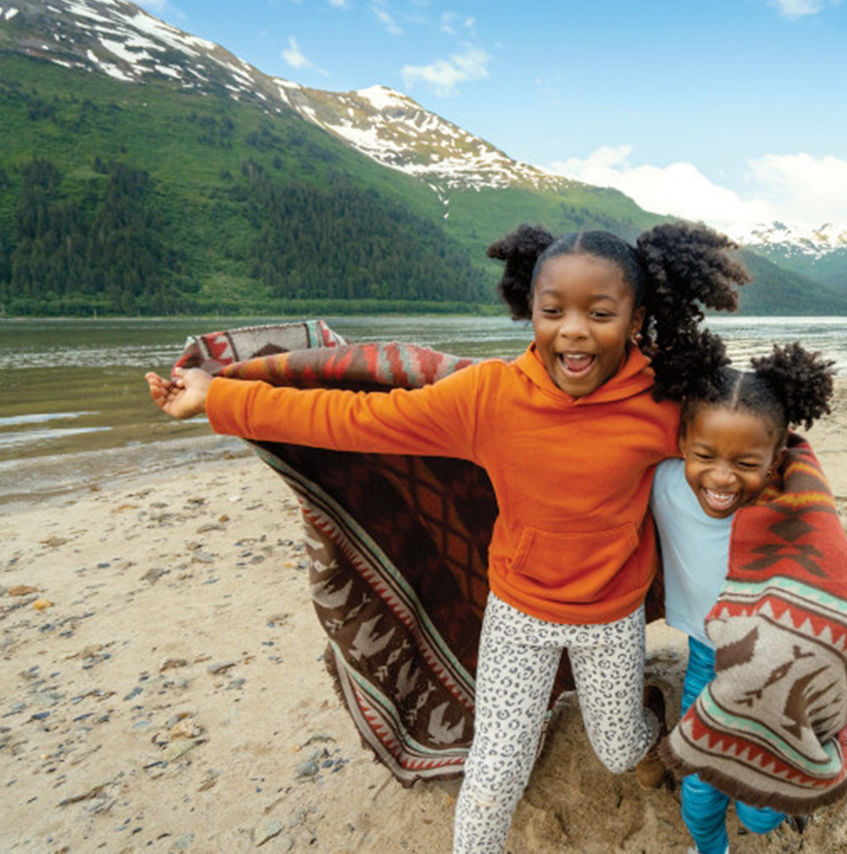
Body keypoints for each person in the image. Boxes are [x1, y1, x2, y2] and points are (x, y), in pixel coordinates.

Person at [145, 221, 749, 854]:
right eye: (553, 311)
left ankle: (645, 716)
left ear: (635, 318)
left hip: (611, 619)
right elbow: (354, 418)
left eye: (599, 312)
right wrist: (218, 398)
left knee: (620, 748)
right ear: (530, 313)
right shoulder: (489, 397)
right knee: (493, 773)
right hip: (518, 614)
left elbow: (748, 447)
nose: (572, 329)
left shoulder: (664, 403)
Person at [649, 342, 840, 854]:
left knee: (760, 804)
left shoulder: (790, 507)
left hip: (774, 663)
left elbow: (833, 580)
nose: (721, 477)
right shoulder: (661, 482)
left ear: (775, 459)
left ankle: (760, 819)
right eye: (705, 455)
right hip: (704, 658)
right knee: (700, 776)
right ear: (682, 443)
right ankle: (710, 849)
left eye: (746, 462)